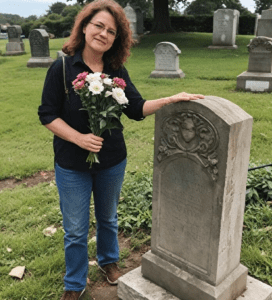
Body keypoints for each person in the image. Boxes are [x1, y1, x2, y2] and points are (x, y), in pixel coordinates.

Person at [38, 0, 204, 299]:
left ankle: (108, 262)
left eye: (111, 31)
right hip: (72, 162)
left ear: (117, 39)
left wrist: (170, 99)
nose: (103, 34)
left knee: (108, 218)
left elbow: (136, 108)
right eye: (98, 26)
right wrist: (78, 138)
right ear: (85, 27)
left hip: (112, 159)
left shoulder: (116, 70)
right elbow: (47, 114)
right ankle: (75, 284)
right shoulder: (62, 67)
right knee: (75, 229)